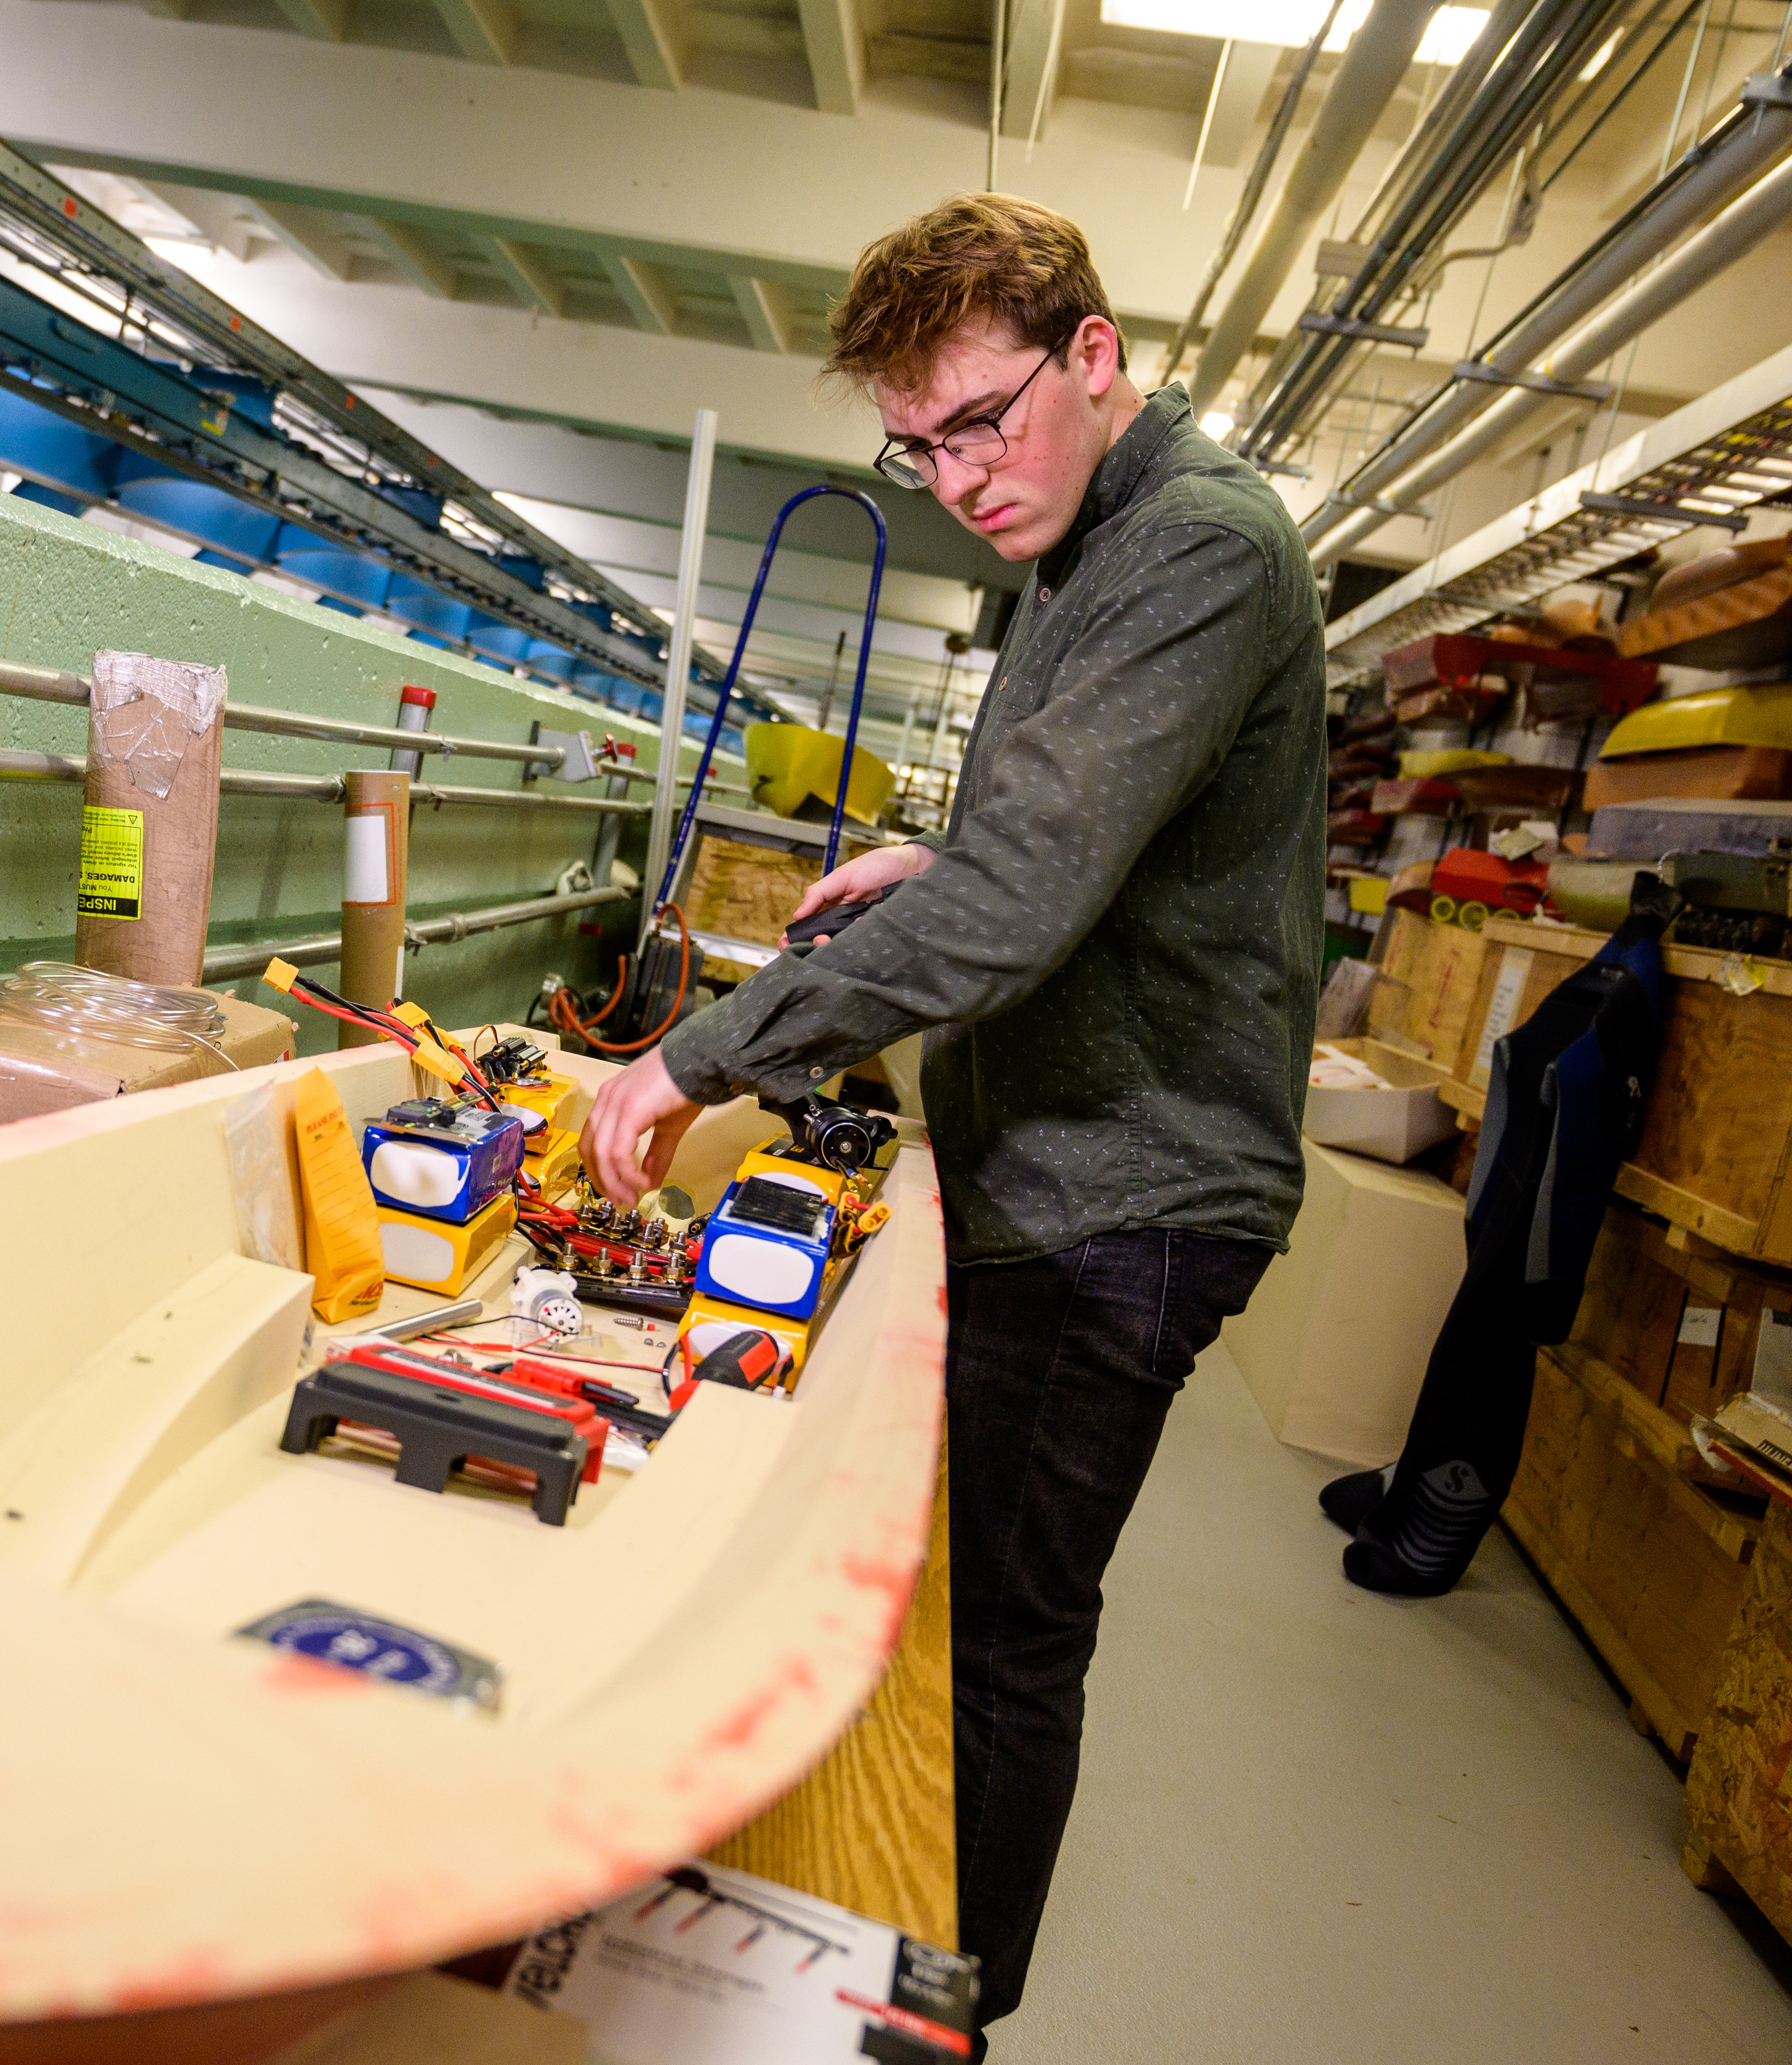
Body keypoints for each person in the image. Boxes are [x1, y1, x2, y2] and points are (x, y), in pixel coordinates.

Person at [586, 192, 1326, 2033]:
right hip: (1054, 1175)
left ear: (1096, 357)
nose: (958, 478)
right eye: (915, 448)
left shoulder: (1202, 550)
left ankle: (933, 2019)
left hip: (1121, 1200)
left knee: (1003, 1648)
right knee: (960, 1613)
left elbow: (1022, 912)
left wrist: (705, 1054)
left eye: (981, 421)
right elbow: (1054, 848)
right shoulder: (1080, 555)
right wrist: (950, 849)